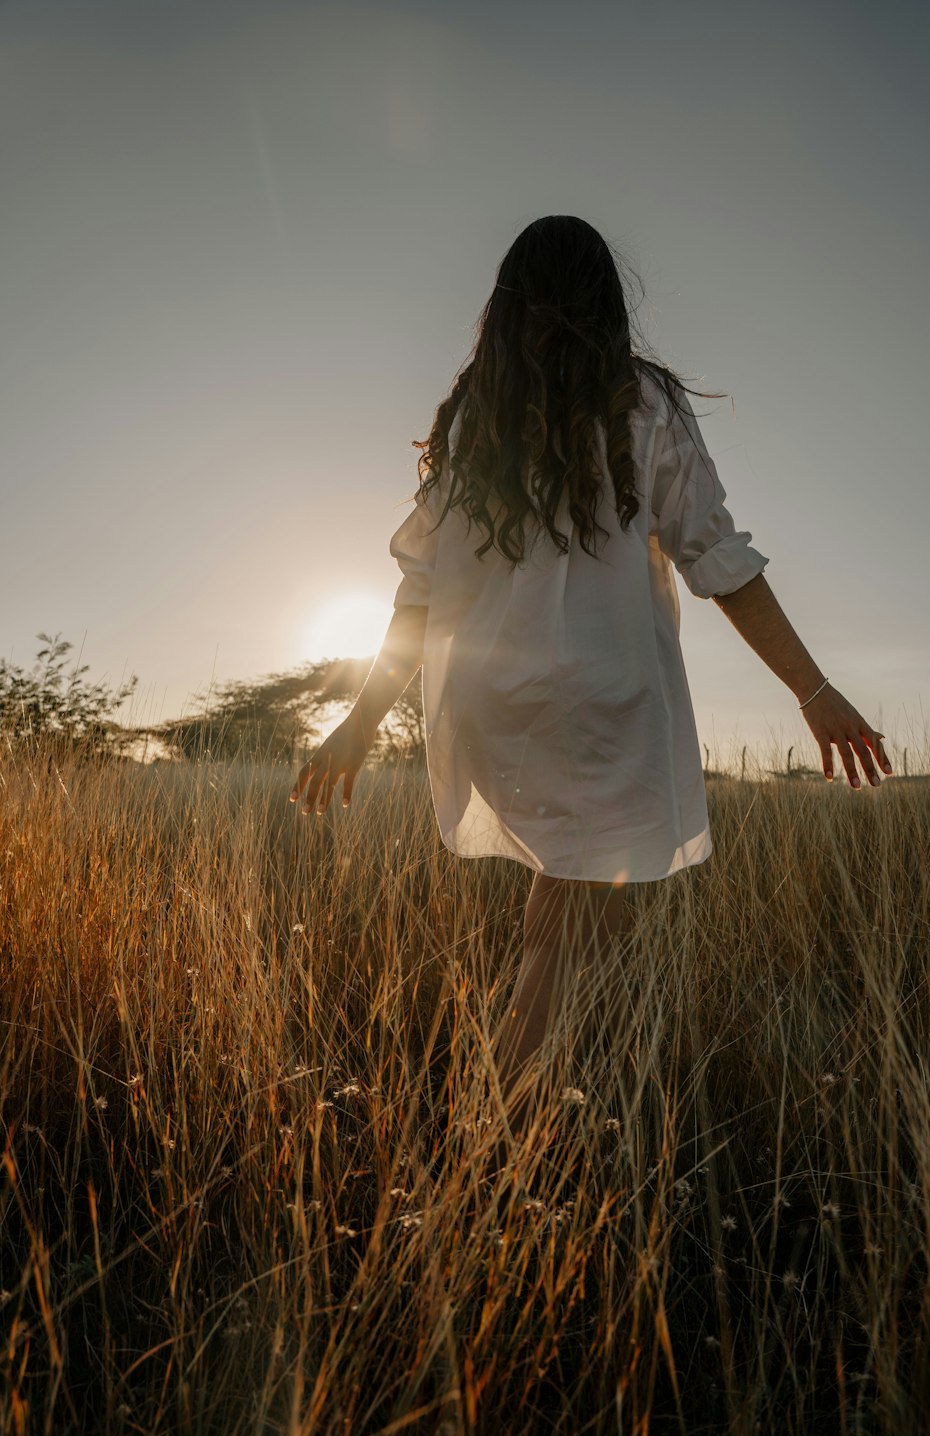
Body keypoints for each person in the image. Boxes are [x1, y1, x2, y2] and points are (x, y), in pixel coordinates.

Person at [289, 215, 892, 1171]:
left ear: (505, 305)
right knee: (578, 927)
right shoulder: (640, 402)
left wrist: (359, 724)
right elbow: (717, 557)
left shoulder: (476, 419)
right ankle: (497, 1157)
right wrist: (813, 688)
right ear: (609, 302)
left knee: (568, 915)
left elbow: (421, 595)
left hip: (501, 712)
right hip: (608, 707)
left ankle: (535, 1130)